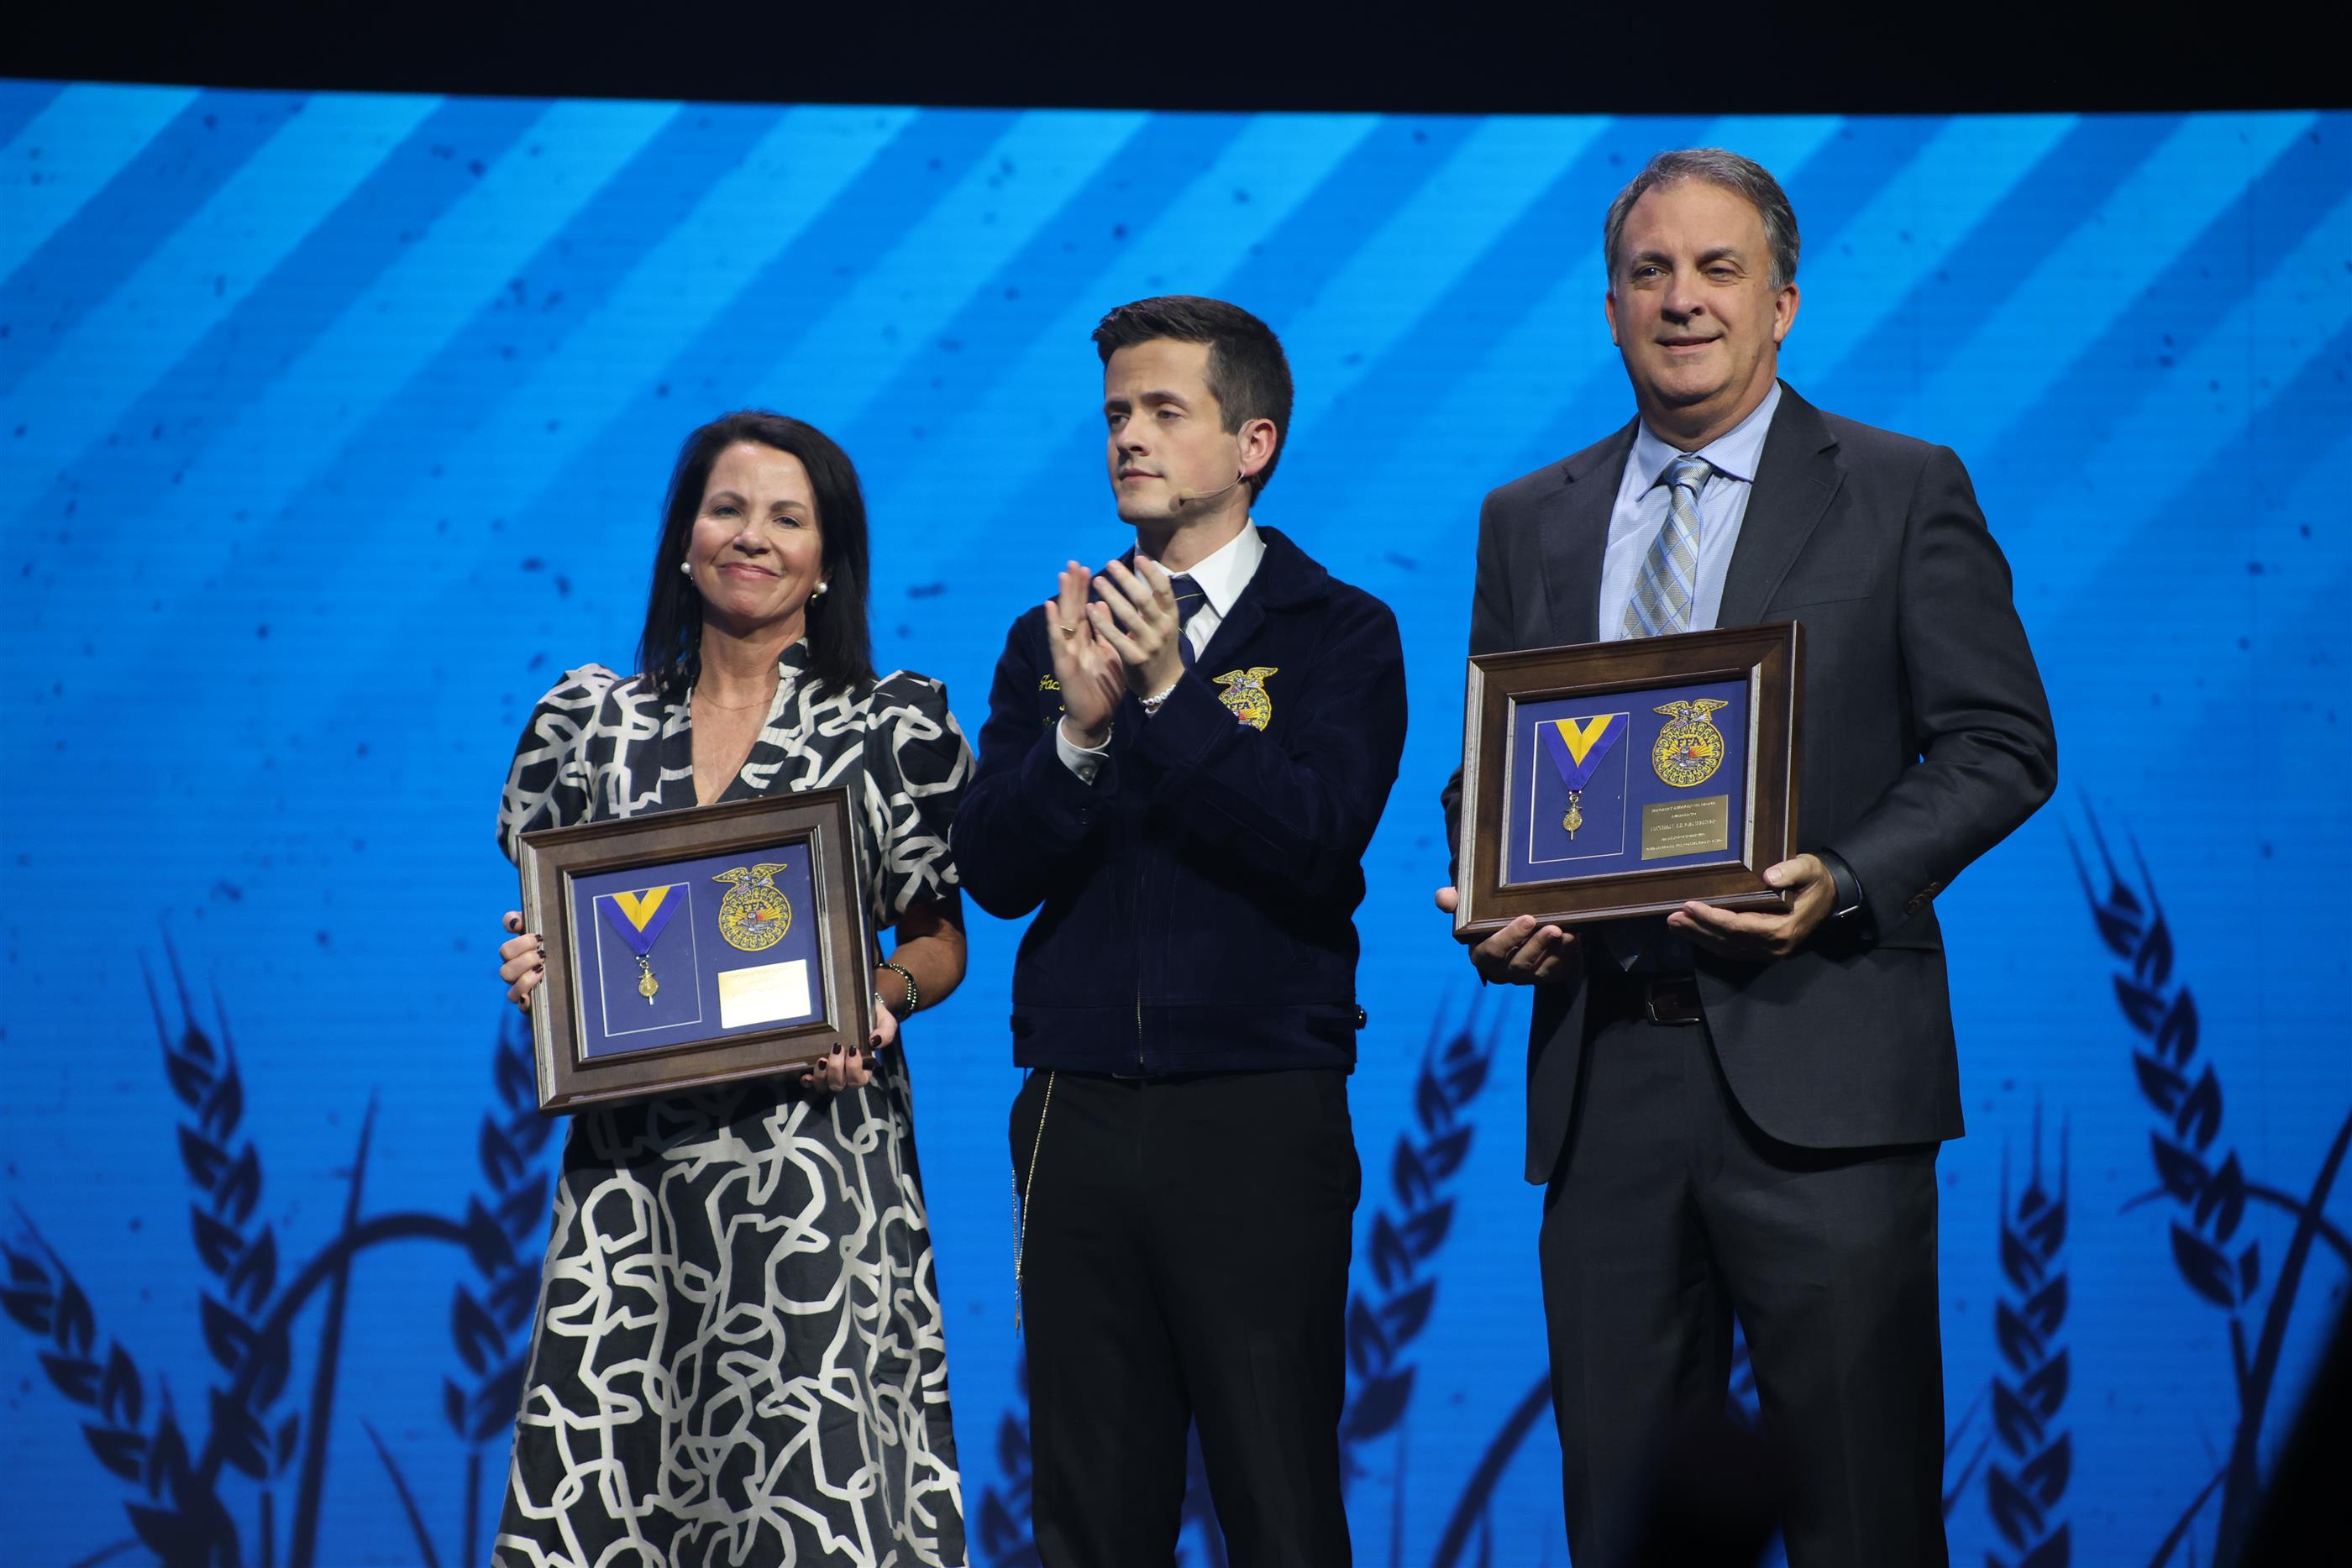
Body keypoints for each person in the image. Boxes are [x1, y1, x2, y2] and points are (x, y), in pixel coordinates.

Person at [1437, 149, 2058, 1568]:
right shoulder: (1528, 517)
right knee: (1625, 1522)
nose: (1684, 299)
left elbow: (2001, 743)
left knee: (1862, 1516)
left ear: (1783, 303)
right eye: (1650, 271)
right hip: (1607, 1079)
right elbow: (1501, 764)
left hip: (1824, 1070)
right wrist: (1493, 891)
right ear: (1610, 306)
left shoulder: (1901, 488)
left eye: (1719, 269)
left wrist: (1841, 875)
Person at [953, 296, 1406, 1568]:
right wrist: (1080, 734)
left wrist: (1168, 693)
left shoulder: (1340, 632)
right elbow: (990, 870)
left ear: (1254, 442)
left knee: (1280, 1503)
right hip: (1077, 1108)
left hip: (1259, 1105)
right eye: (1115, 414)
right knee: (1092, 1519)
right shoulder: (1051, 637)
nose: (1128, 439)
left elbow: (1317, 839)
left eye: (1163, 410)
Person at [489, 411, 974, 1568]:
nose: (752, 536)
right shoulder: (592, 723)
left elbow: (939, 937)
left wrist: (881, 995)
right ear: (682, 541)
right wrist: (542, 976)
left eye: (787, 518)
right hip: (631, 1190)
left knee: (809, 1505)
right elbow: (563, 928)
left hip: (813, 1178)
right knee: (621, 1505)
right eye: (727, 509)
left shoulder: (889, 723)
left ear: (827, 560)